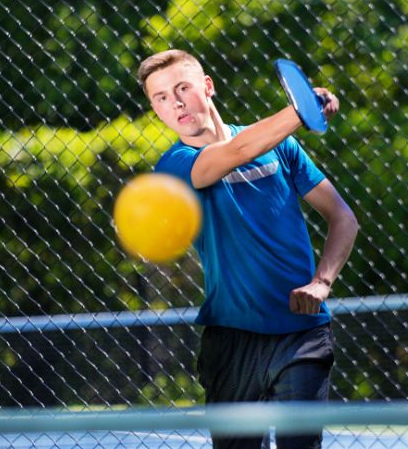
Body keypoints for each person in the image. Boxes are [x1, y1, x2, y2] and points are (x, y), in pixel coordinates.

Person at [137, 50, 358, 448]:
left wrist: (322, 282)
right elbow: (236, 152)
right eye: (162, 97)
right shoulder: (175, 165)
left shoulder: (282, 147)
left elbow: (344, 218)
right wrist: (303, 109)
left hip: (302, 333)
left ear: (207, 87)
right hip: (230, 340)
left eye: (183, 88)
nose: (177, 103)